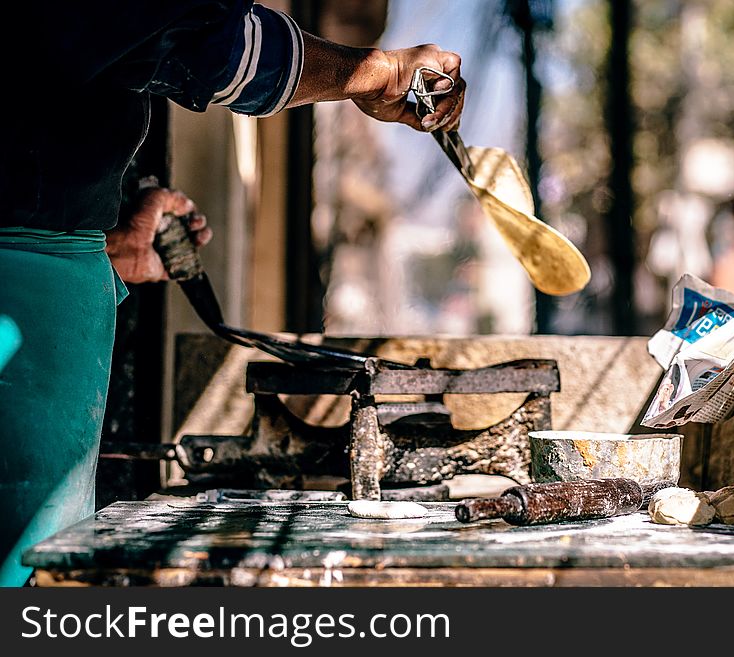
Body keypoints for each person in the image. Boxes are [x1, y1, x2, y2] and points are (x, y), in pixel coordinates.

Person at [0, 1, 465, 586]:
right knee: (26, 566)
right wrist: (373, 73)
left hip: (57, 259)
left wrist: (108, 213)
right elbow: (195, 38)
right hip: (25, 273)